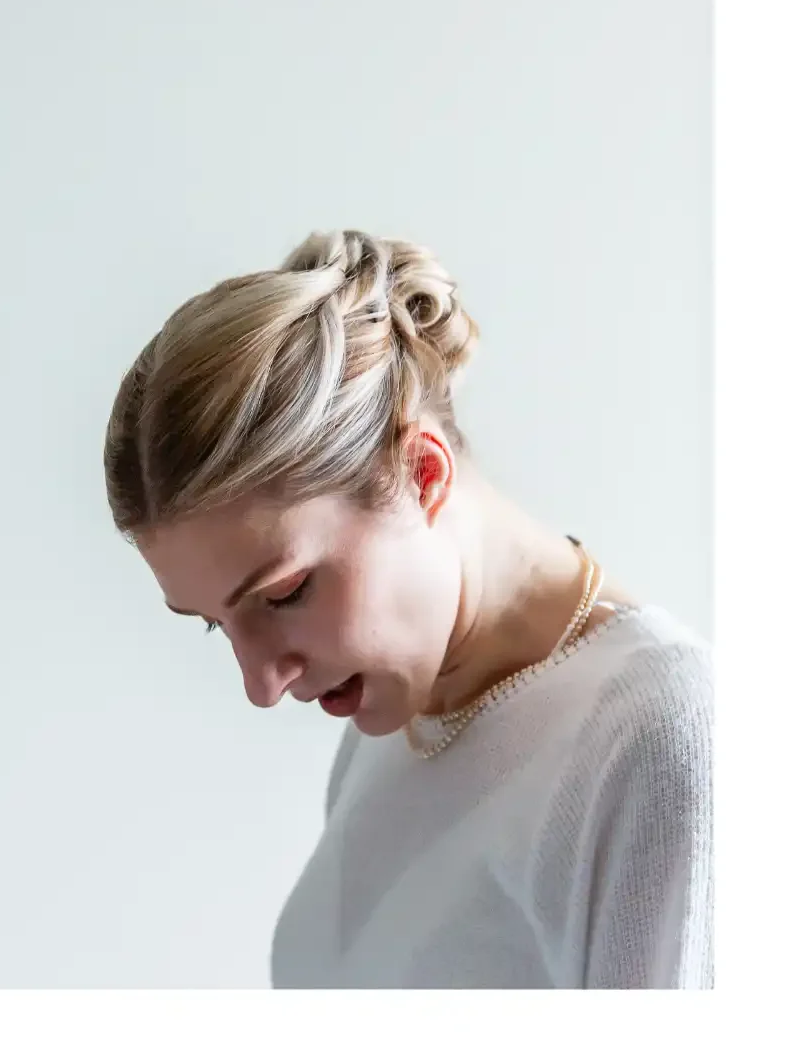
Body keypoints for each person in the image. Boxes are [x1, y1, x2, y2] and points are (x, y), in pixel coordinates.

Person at [102, 228, 713, 989]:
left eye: (284, 594)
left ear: (422, 472)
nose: (262, 684)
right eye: (213, 623)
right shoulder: (396, 713)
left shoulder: (658, 740)